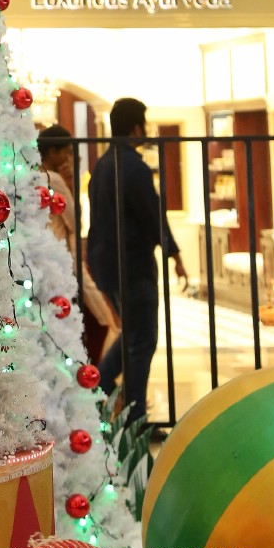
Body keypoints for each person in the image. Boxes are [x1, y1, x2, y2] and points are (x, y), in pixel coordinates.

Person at [87, 98, 188, 425]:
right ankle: (134, 418)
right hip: (133, 266)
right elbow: (151, 213)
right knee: (142, 341)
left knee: (132, 335)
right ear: (136, 128)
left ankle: (98, 388)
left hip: (108, 267)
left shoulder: (103, 165)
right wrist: (174, 253)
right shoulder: (132, 166)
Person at [37, 125, 120, 362]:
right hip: (63, 259)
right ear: (53, 152)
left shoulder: (30, 177)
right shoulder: (54, 179)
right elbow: (74, 221)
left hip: (42, 258)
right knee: (96, 321)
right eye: (66, 152)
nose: (68, 158)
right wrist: (70, 186)